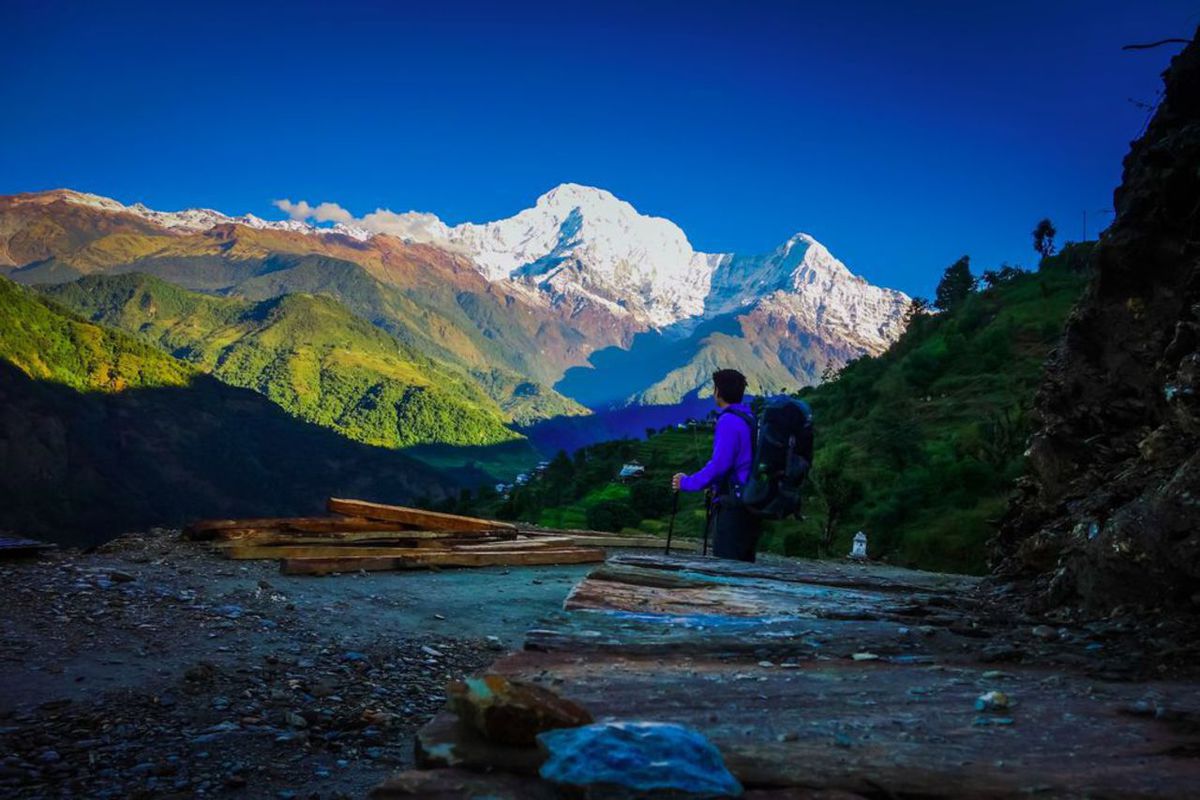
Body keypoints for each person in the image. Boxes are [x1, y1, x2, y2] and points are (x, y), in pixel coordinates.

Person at [672, 369, 761, 562]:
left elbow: (719, 465)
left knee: (727, 567)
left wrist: (686, 483)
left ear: (718, 392)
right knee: (744, 565)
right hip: (750, 501)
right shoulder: (749, 417)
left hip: (733, 504)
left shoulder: (728, 420)